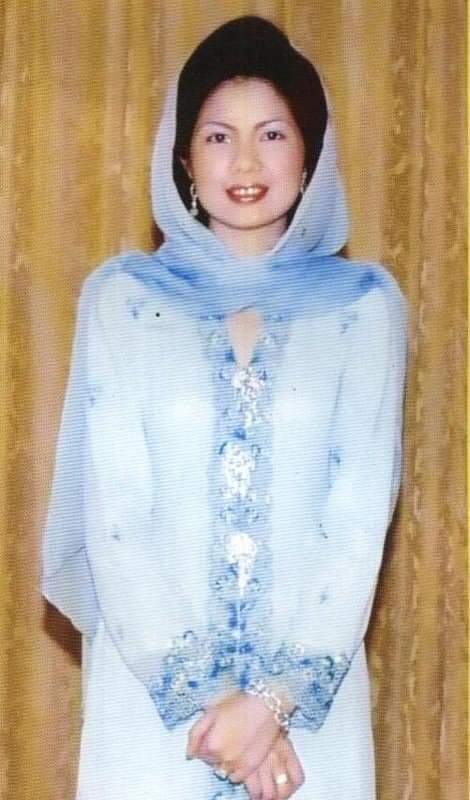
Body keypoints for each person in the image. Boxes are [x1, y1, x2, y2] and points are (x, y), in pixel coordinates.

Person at [41, 15, 408, 800]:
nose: (245, 162)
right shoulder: (124, 303)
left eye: (271, 134)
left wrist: (272, 704)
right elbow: (116, 521)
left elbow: (356, 525)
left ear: (310, 157)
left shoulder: (363, 309)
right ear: (183, 160)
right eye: (217, 137)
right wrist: (223, 713)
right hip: (158, 712)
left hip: (309, 719)